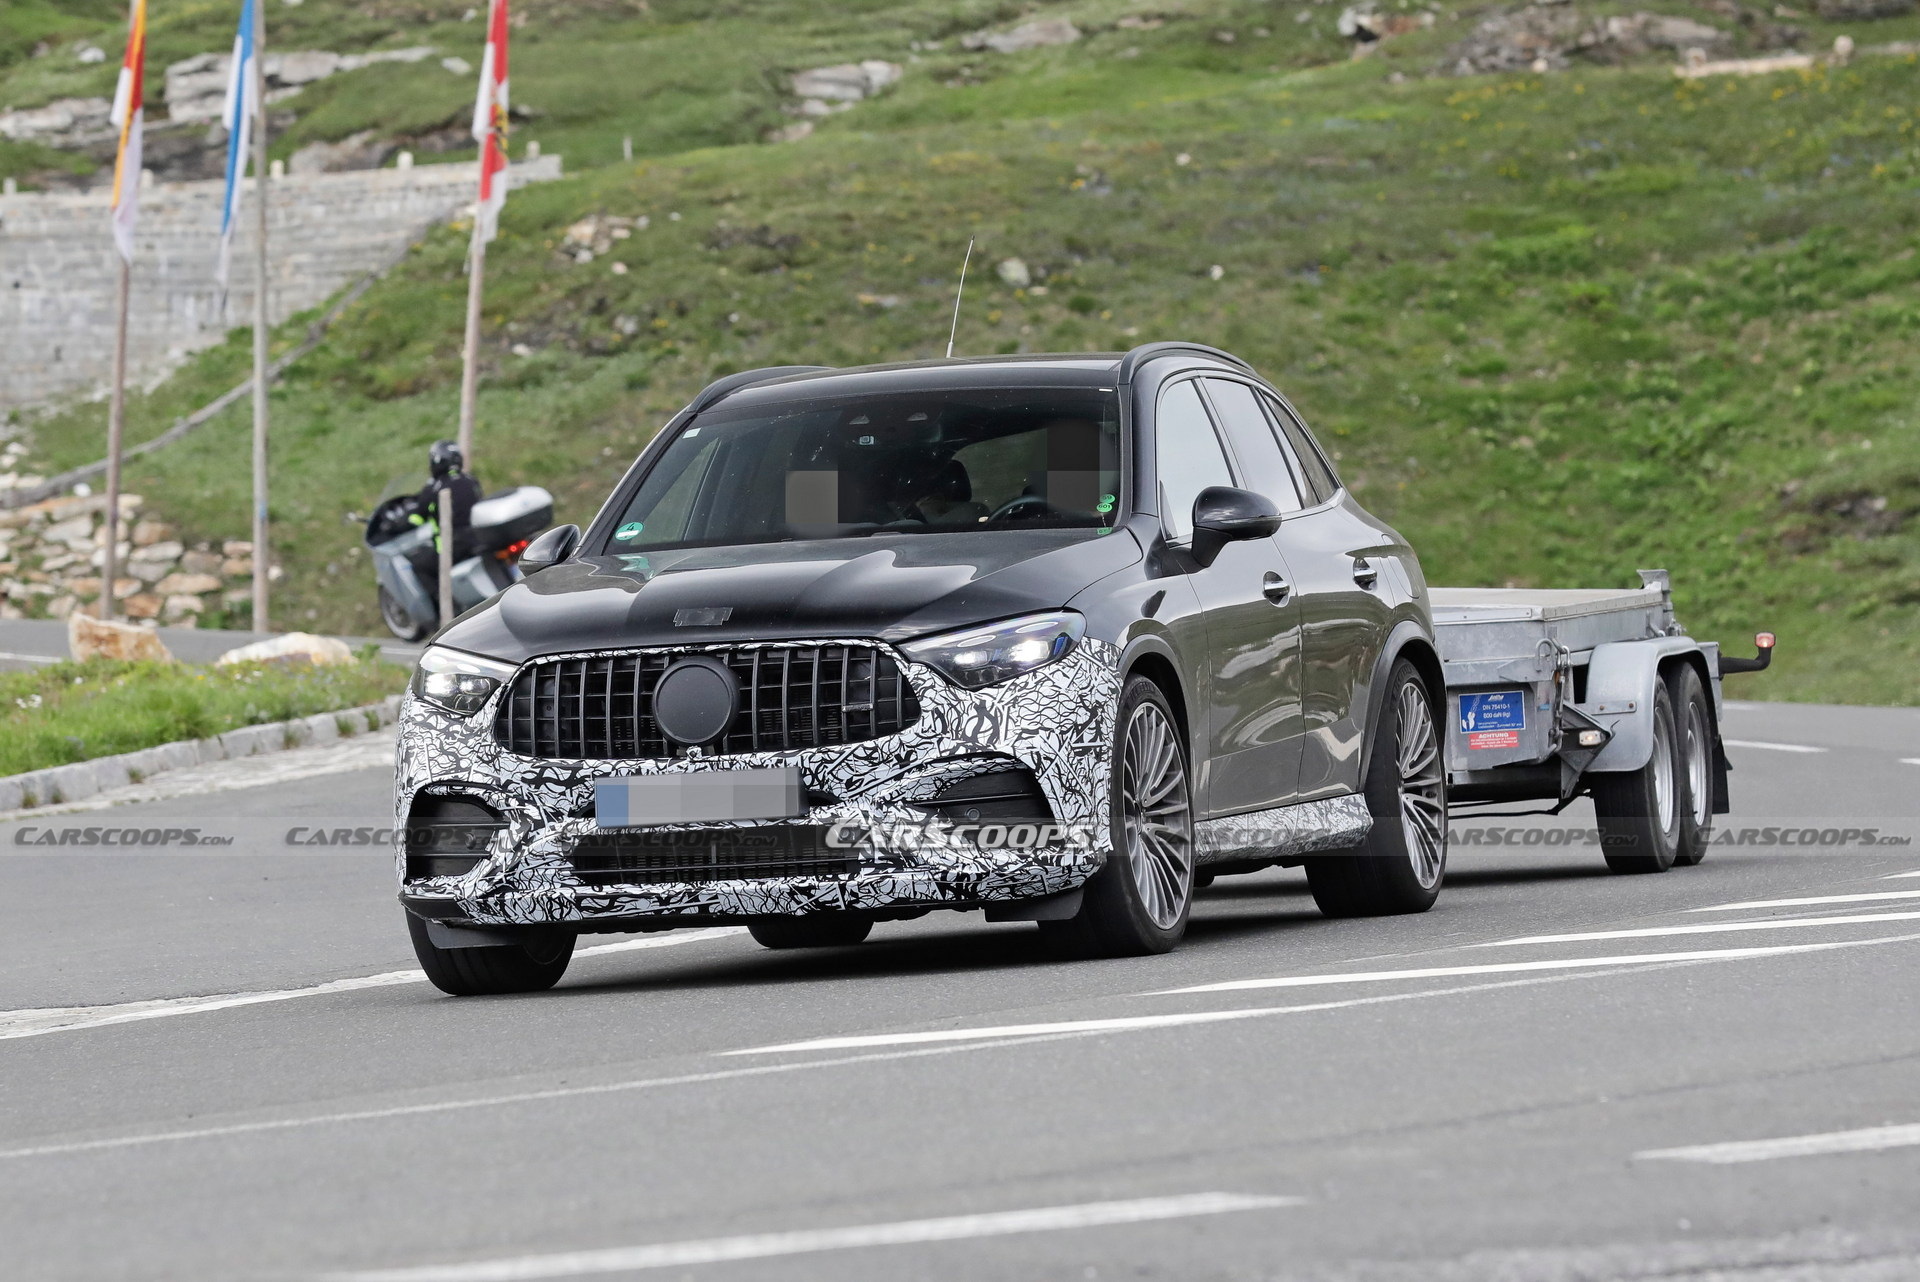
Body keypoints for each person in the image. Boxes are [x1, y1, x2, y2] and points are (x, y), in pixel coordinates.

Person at [408, 440, 482, 603]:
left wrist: (402, 522)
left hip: (453, 547)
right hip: (479, 539)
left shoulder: (434, 488)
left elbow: (417, 518)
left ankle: (444, 604)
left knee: (419, 565)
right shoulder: (470, 480)